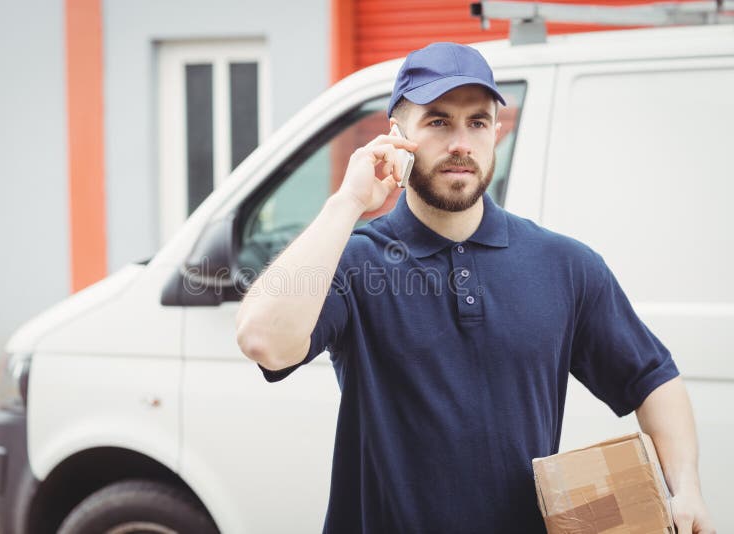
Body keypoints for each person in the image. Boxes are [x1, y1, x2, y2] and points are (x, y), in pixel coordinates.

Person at [236, 42, 715, 534]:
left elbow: (653, 379)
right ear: (397, 137)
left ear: (496, 134)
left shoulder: (565, 265)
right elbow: (263, 340)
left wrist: (687, 489)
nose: (461, 143)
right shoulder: (357, 261)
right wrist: (348, 202)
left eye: (478, 122)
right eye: (438, 122)